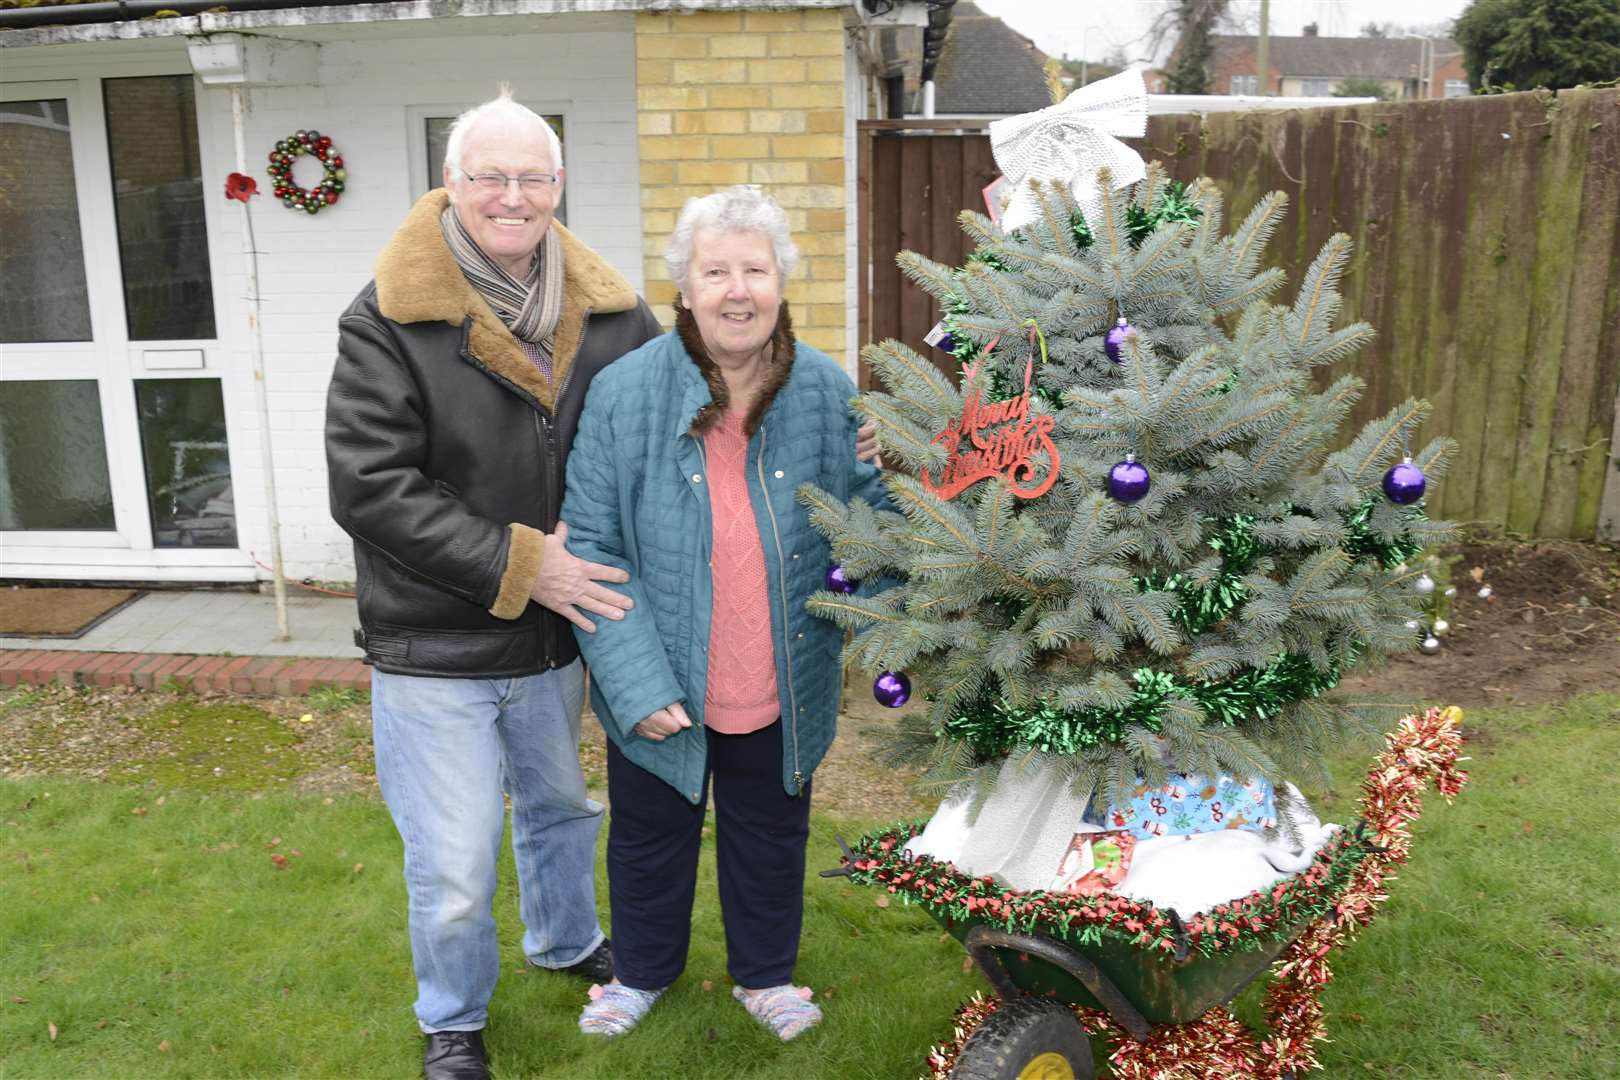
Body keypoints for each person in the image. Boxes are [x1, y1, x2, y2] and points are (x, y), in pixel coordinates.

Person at [324, 89, 661, 1080]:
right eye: (489, 177)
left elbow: (681, 410)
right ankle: (454, 1020)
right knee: (458, 864)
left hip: (554, 641)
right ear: (452, 184)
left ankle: (565, 943)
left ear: (558, 186)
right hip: (434, 644)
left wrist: (836, 419)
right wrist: (527, 563)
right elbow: (369, 488)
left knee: (563, 813)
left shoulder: (610, 311)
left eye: (531, 178)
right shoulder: (387, 316)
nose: (511, 196)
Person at [559, 185, 888, 1041]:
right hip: (663, 669)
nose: (737, 289)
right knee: (647, 835)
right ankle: (639, 974)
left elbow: (869, 520)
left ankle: (766, 977)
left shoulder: (823, 388)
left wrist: (896, 465)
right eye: (716, 271)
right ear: (686, 287)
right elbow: (592, 546)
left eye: (755, 269)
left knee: (770, 832)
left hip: (781, 669)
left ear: (781, 281)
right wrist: (633, 682)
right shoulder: (623, 393)